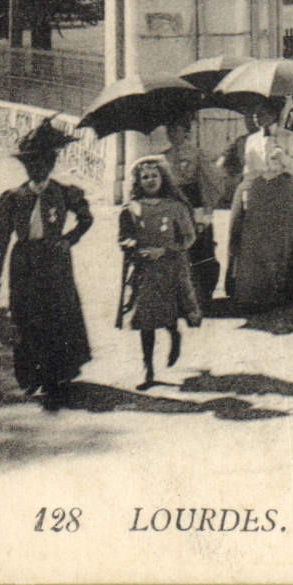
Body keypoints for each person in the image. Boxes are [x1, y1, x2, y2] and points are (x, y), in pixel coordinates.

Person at [0, 119, 93, 408]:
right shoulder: (13, 197)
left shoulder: (62, 192)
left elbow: (86, 218)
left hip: (55, 260)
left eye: (42, 163)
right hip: (24, 262)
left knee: (56, 313)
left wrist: (68, 239)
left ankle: (57, 374)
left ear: (50, 164)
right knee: (25, 314)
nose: (36, 169)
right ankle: (29, 375)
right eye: (31, 165)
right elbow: (1, 236)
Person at [118, 156, 202, 389]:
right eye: (145, 177)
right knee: (145, 318)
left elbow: (189, 237)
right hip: (145, 270)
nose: (150, 180)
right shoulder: (131, 208)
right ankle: (148, 369)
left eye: (154, 175)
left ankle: (174, 335)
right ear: (138, 181)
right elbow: (123, 237)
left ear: (162, 178)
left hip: (171, 268)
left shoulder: (175, 207)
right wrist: (132, 245)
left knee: (169, 313)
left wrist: (165, 250)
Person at [226, 97, 293, 311]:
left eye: (262, 113)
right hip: (259, 193)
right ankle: (258, 292)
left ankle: (286, 291)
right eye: (254, 114)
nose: (256, 117)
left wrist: (283, 158)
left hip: (283, 191)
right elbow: (249, 170)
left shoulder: (290, 137)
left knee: (284, 240)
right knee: (256, 242)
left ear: (274, 114)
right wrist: (246, 191)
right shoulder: (251, 140)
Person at [163, 115, 225, 303]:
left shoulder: (197, 154)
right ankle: (177, 296)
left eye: (176, 129)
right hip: (172, 207)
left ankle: (202, 294)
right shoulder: (163, 156)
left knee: (200, 249)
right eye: (169, 129)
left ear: (186, 132)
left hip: (194, 204)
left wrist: (207, 208)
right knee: (175, 249)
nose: (172, 133)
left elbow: (213, 181)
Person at [216, 111, 260, 205]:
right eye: (247, 119)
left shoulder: (265, 138)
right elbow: (227, 153)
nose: (249, 122)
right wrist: (221, 161)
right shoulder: (241, 139)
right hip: (244, 176)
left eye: (252, 119)